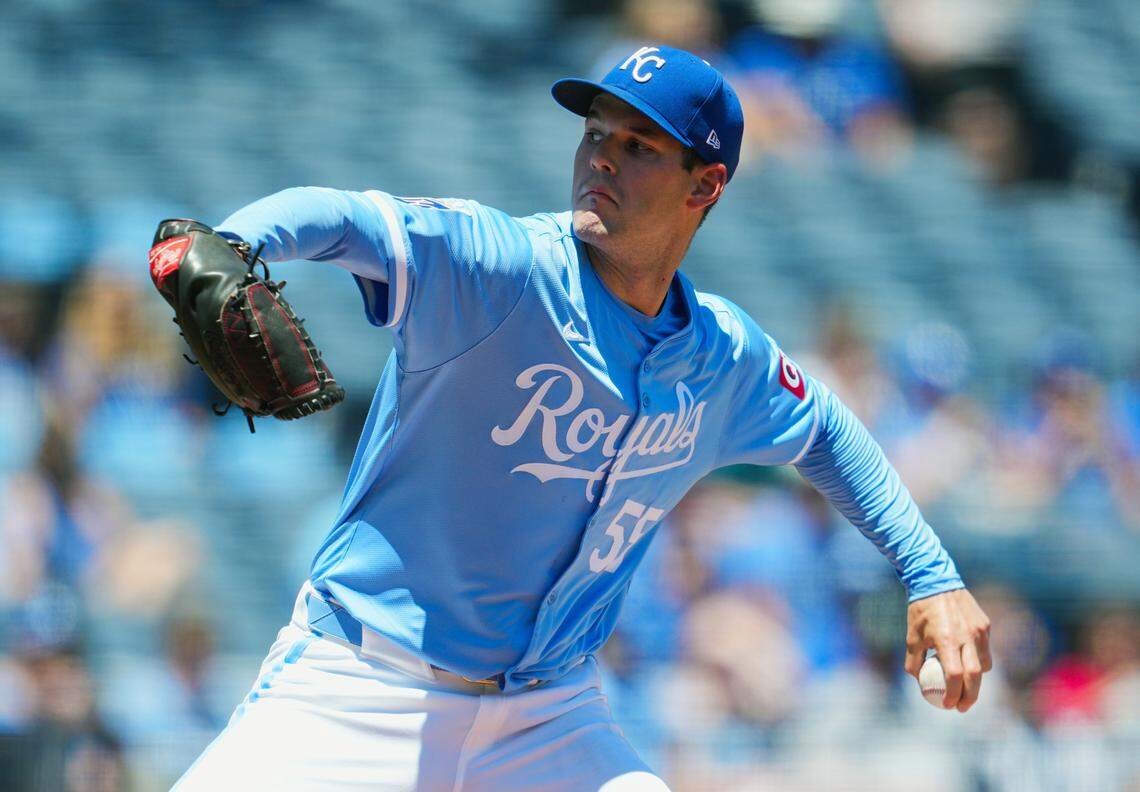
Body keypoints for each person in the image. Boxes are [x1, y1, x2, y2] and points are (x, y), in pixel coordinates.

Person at [173, 44, 991, 791]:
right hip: (359, 688)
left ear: (704, 185)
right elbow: (346, 217)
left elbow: (828, 434)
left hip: (545, 718)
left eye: (639, 145)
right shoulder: (502, 268)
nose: (602, 153)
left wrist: (933, 576)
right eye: (596, 131)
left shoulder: (723, 355)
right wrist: (232, 244)